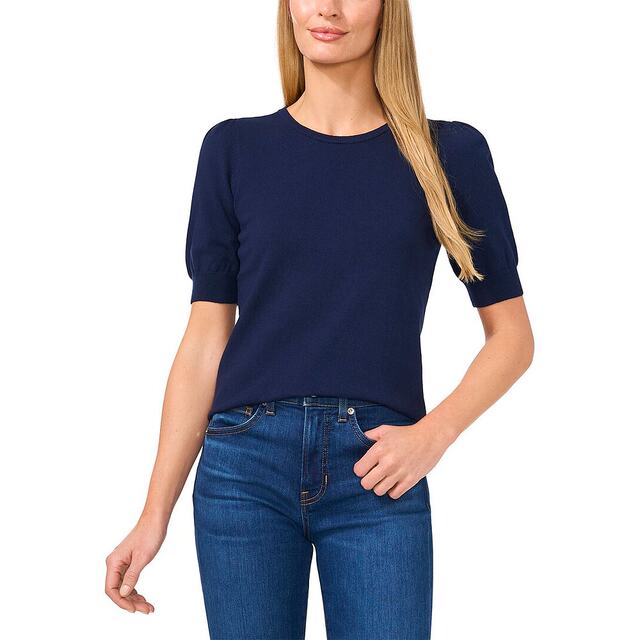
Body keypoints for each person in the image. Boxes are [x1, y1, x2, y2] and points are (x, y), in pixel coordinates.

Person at [104, 1, 534, 638]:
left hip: (378, 470)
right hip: (243, 470)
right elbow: (204, 342)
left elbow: (513, 337)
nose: (327, 8)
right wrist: (152, 513)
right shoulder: (233, 149)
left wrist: (432, 435)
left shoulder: (447, 152)